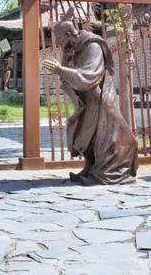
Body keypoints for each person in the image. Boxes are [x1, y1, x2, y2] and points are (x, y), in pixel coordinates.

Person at [42, 19, 138, 185]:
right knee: (83, 136)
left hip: (100, 101)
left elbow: (88, 77)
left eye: (60, 39)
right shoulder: (72, 48)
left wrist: (60, 70)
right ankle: (90, 168)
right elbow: (68, 76)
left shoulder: (92, 46)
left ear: (69, 34)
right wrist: (63, 65)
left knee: (103, 138)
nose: (58, 44)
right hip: (86, 102)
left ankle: (105, 172)